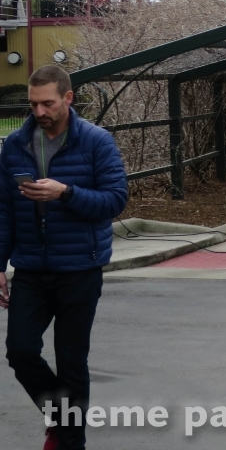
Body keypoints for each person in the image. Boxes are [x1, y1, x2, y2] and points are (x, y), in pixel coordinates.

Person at [0, 65, 128, 450]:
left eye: (48, 103)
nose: (39, 111)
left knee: (72, 362)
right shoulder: (15, 144)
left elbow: (116, 200)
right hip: (31, 269)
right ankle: (61, 417)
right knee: (20, 351)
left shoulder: (96, 142)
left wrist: (66, 193)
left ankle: (71, 443)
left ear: (68, 98)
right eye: (33, 103)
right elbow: (5, 208)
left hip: (80, 268)